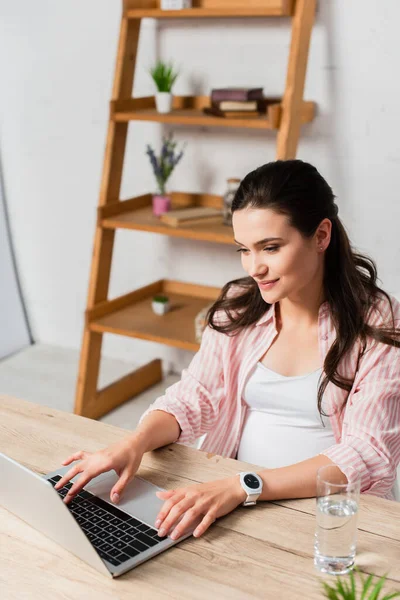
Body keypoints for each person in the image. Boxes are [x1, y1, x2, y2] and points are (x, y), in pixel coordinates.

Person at [55, 160, 400, 542]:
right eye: (244, 250)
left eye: (270, 247)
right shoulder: (240, 306)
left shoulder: (379, 322)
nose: (255, 267)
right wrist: (134, 443)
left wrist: (245, 485)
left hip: (322, 515)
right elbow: (195, 396)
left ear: (320, 235)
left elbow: (369, 452)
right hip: (230, 496)